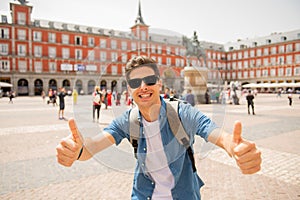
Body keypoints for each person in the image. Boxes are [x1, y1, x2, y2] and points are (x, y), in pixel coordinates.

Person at [56, 56, 261, 199]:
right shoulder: (128, 120)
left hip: (184, 196)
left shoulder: (182, 113)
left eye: (150, 80)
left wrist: (233, 147)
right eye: (136, 82)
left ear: (159, 84)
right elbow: (92, 147)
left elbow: (211, 130)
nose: (143, 86)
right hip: (143, 196)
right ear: (129, 89)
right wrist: (77, 150)